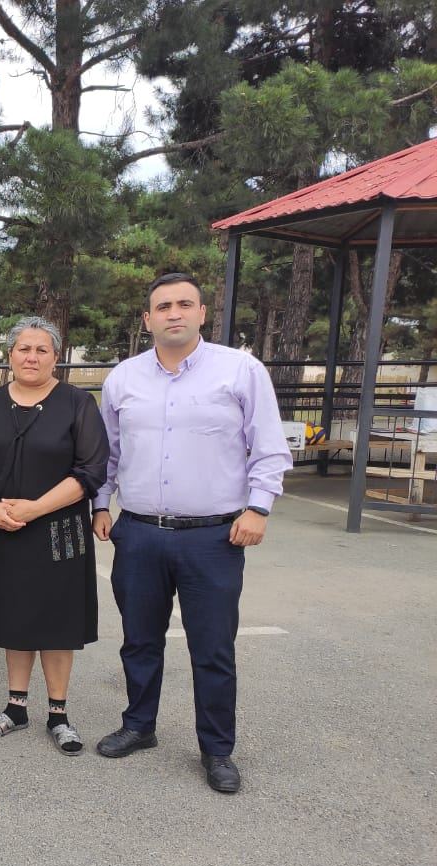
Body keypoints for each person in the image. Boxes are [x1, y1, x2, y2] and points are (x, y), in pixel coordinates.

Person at [92, 273, 292, 793]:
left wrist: (259, 508)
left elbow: (269, 446)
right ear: (147, 319)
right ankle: (139, 725)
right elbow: (107, 454)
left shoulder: (240, 370)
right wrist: (100, 504)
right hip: (138, 534)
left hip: (215, 537)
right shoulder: (124, 379)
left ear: (203, 313)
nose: (173, 313)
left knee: (212, 648)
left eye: (184, 304)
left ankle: (217, 750)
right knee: (139, 640)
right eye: (162, 306)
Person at [0, 317, 108, 755]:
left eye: (41, 349)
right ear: (9, 355)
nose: (31, 357)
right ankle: (16, 707)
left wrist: (35, 508)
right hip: (2, 528)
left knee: (57, 624)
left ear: (56, 356)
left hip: (58, 532)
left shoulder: (77, 403)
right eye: (23, 348)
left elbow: (90, 471)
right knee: (16, 619)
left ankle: (59, 714)